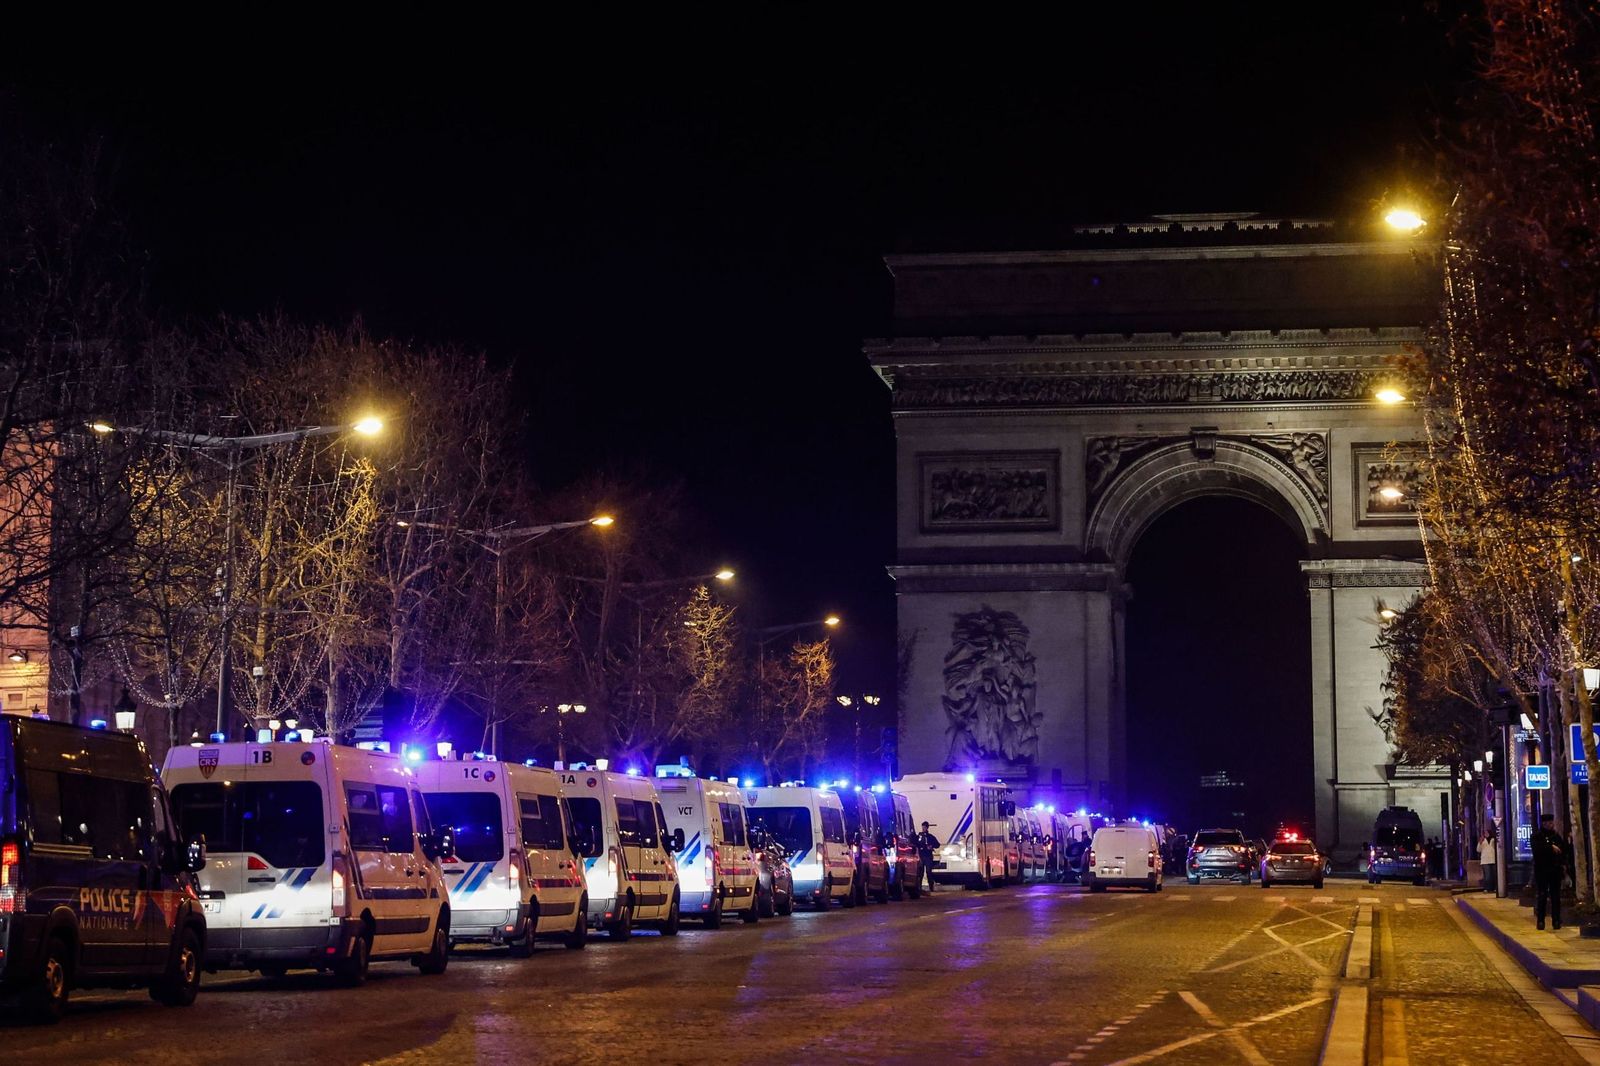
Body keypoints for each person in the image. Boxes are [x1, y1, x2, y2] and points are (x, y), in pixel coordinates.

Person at [1531, 814, 1571, 931]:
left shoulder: (1556, 836)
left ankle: (1556, 920)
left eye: (1551, 823)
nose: (1551, 825)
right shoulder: (1537, 836)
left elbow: (1563, 851)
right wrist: (1550, 847)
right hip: (1542, 871)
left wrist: (1564, 865)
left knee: (1555, 896)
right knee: (1542, 896)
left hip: (1555, 870)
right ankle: (1541, 921)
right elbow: (1537, 850)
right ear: (1544, 824)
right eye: (1549, 823)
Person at [913, 821, 940, 893]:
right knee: (920, 873)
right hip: (921, 856)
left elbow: (937, 844)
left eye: (924, 827)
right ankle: (919, 887)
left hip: (928, 856)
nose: (923, 828)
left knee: (928, 872)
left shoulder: (930, 837)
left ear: (927, 828)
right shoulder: (919, 836)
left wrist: (931, 846)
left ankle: (931, 887)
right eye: (922, 827)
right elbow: (915, 843)